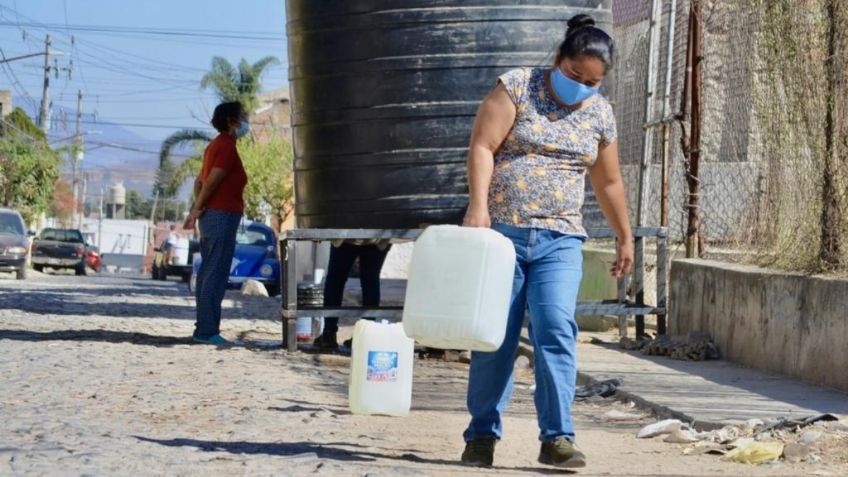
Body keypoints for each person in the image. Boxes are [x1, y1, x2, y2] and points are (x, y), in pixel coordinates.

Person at [460, 15, 634, 469]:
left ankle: (557, 437)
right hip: (503, 236)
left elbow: (609, 182)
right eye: (576, 75)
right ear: (560, 59)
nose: (582, 87)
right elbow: (483, 145)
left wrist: (624, 235)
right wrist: (478, 207)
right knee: (495, 338)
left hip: (561, 240)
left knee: (556, 329)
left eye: (592, 82)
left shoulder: (598, 112)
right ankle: (481, 435)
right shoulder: (518, 86)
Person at [183, 101, 250, 345]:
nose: (246, 121)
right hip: (221, 215)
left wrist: (197, 207)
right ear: (232, 121)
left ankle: (206, 327)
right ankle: (206, 330)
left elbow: (199, 182)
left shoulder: (215, 146)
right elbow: (211, 181)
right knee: (215, 272)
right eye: (243, 117)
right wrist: (197, 208)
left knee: (211, 271)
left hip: (215, 215)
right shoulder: (225, 147)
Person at [312, 240, 391, 350]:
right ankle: (366, 335)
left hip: (347, 235)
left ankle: (329, 333)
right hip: (377, 236)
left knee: (335, 280)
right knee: (371, 281)